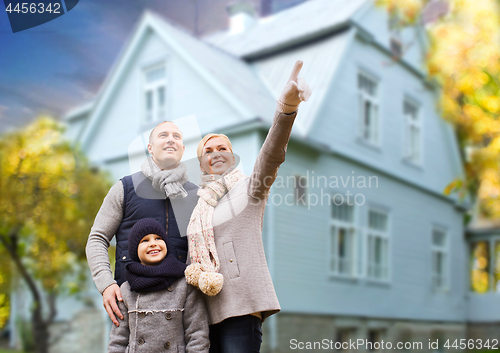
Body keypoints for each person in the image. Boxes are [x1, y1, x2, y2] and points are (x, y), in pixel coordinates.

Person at [184, 60, 311, 352]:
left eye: (222, 148)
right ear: (201, 164)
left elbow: (272, 155)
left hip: (241, 307)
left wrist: (286, 108)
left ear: (233, 156)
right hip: (202, 314)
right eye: (208, 151)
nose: (216, 154)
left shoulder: (250, 188)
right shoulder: (197, 205)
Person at [86, 121, 199, 327]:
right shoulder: (125, 188)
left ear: (183, 149)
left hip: (182, 304)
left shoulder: (196, 195)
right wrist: (106, 284)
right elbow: (97, 238)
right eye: (163, 135)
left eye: (177, 136)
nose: (171, 139)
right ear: (150, 147)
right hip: (131, 301)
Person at [108, 218, 209, 353]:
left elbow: (197, 334)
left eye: (158, 238)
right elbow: (117, 341)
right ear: (134, 249)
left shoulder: (184, 284)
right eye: (145, 240)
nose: (153, 244)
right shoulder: (127, 289)